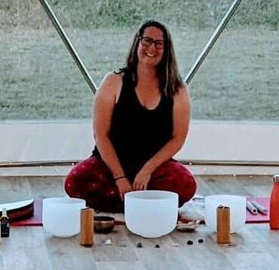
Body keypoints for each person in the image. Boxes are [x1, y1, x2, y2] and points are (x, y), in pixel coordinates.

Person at [65, 19, 197, 211]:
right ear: (137, 42)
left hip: (153, 169)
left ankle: (127, 202)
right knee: (75, 182)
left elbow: (178, 138)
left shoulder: (177, 89)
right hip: (111, 166)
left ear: (167, 49)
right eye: (147, 40)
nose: (151, 47)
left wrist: (147, 170)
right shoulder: (113, 81)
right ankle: (142, 202)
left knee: (185, 184)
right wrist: (120, 177)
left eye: (159, 43)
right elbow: (100, 134)